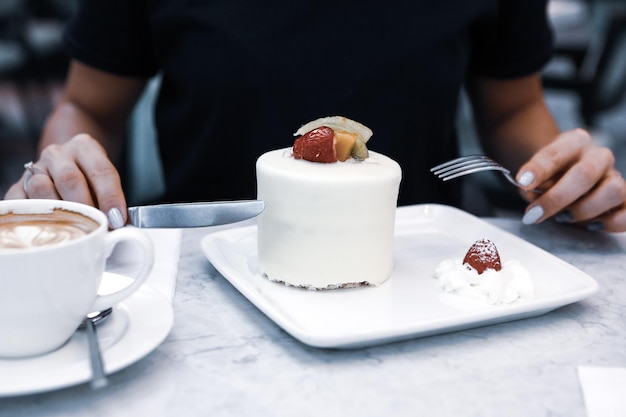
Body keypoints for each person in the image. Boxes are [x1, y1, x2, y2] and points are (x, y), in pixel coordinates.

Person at [4, 0, 626, 232]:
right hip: (204, 264)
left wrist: (565, 178)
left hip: (422, 265)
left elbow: (514, 106)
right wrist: (61, 170)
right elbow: (88, 105)